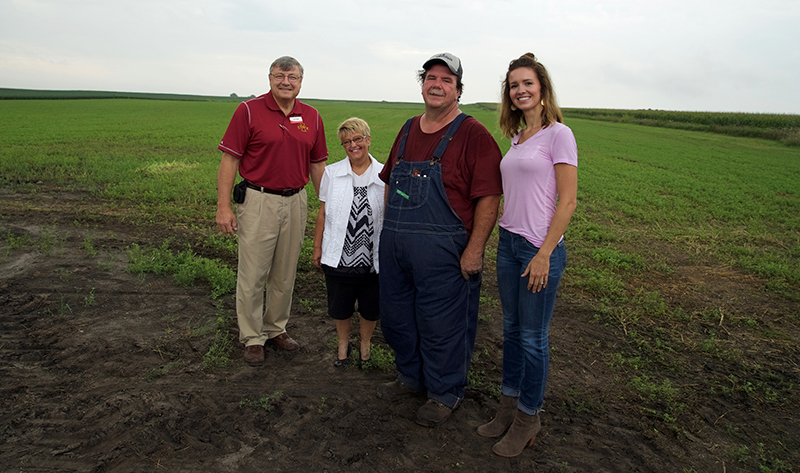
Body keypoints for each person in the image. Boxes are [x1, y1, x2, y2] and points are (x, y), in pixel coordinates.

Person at [377, 53, 503, 427]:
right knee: (398, 319)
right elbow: (390, 184)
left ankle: (444, 393)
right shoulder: (407, 128)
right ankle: (411, 377)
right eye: (431, 77)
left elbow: (489, 196)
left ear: (458, 90)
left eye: (446, 80)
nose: (437, 84)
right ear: (422, 85)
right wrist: (389, 234)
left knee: (441, 324)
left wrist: (475, 249)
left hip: (445, 250)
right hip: (398, 244)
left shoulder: (473, 134)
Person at [476, 52, 578, 457]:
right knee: (511, 332)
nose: (520, 90)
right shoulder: (517, 137)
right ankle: (508, 407)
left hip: (539, 249)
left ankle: (528, 417)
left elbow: (567, 202)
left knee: (534, 338)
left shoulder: (559, 134)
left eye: (527, 84)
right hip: (509, 244)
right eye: (514, 85)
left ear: (542, 89)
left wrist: (543, 254)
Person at [216, 56, 328, 366]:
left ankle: (276, 328)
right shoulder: (249, 111)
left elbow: (317, 165)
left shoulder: (312, 116)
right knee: (253, 273)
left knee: (285, 271)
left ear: (301, 82)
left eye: (292, 77)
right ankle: (252, 336)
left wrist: (328, 205)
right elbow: (230, 160)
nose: (286, 82)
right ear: (269, 78)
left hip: (296, 201)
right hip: (258, 200)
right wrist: (223, 207)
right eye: (280, 76)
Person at [312, 117, 384, 367]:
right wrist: (317, 247)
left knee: (370, 306)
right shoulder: (331, 173)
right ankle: (343, 343)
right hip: (338, 254)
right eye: (346, 142)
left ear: (368, 139)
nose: (353, 145)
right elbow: (322, 212)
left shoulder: (385, 174)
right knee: (340, 305)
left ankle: (365, 343)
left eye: (357, 139)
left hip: (372, 257)